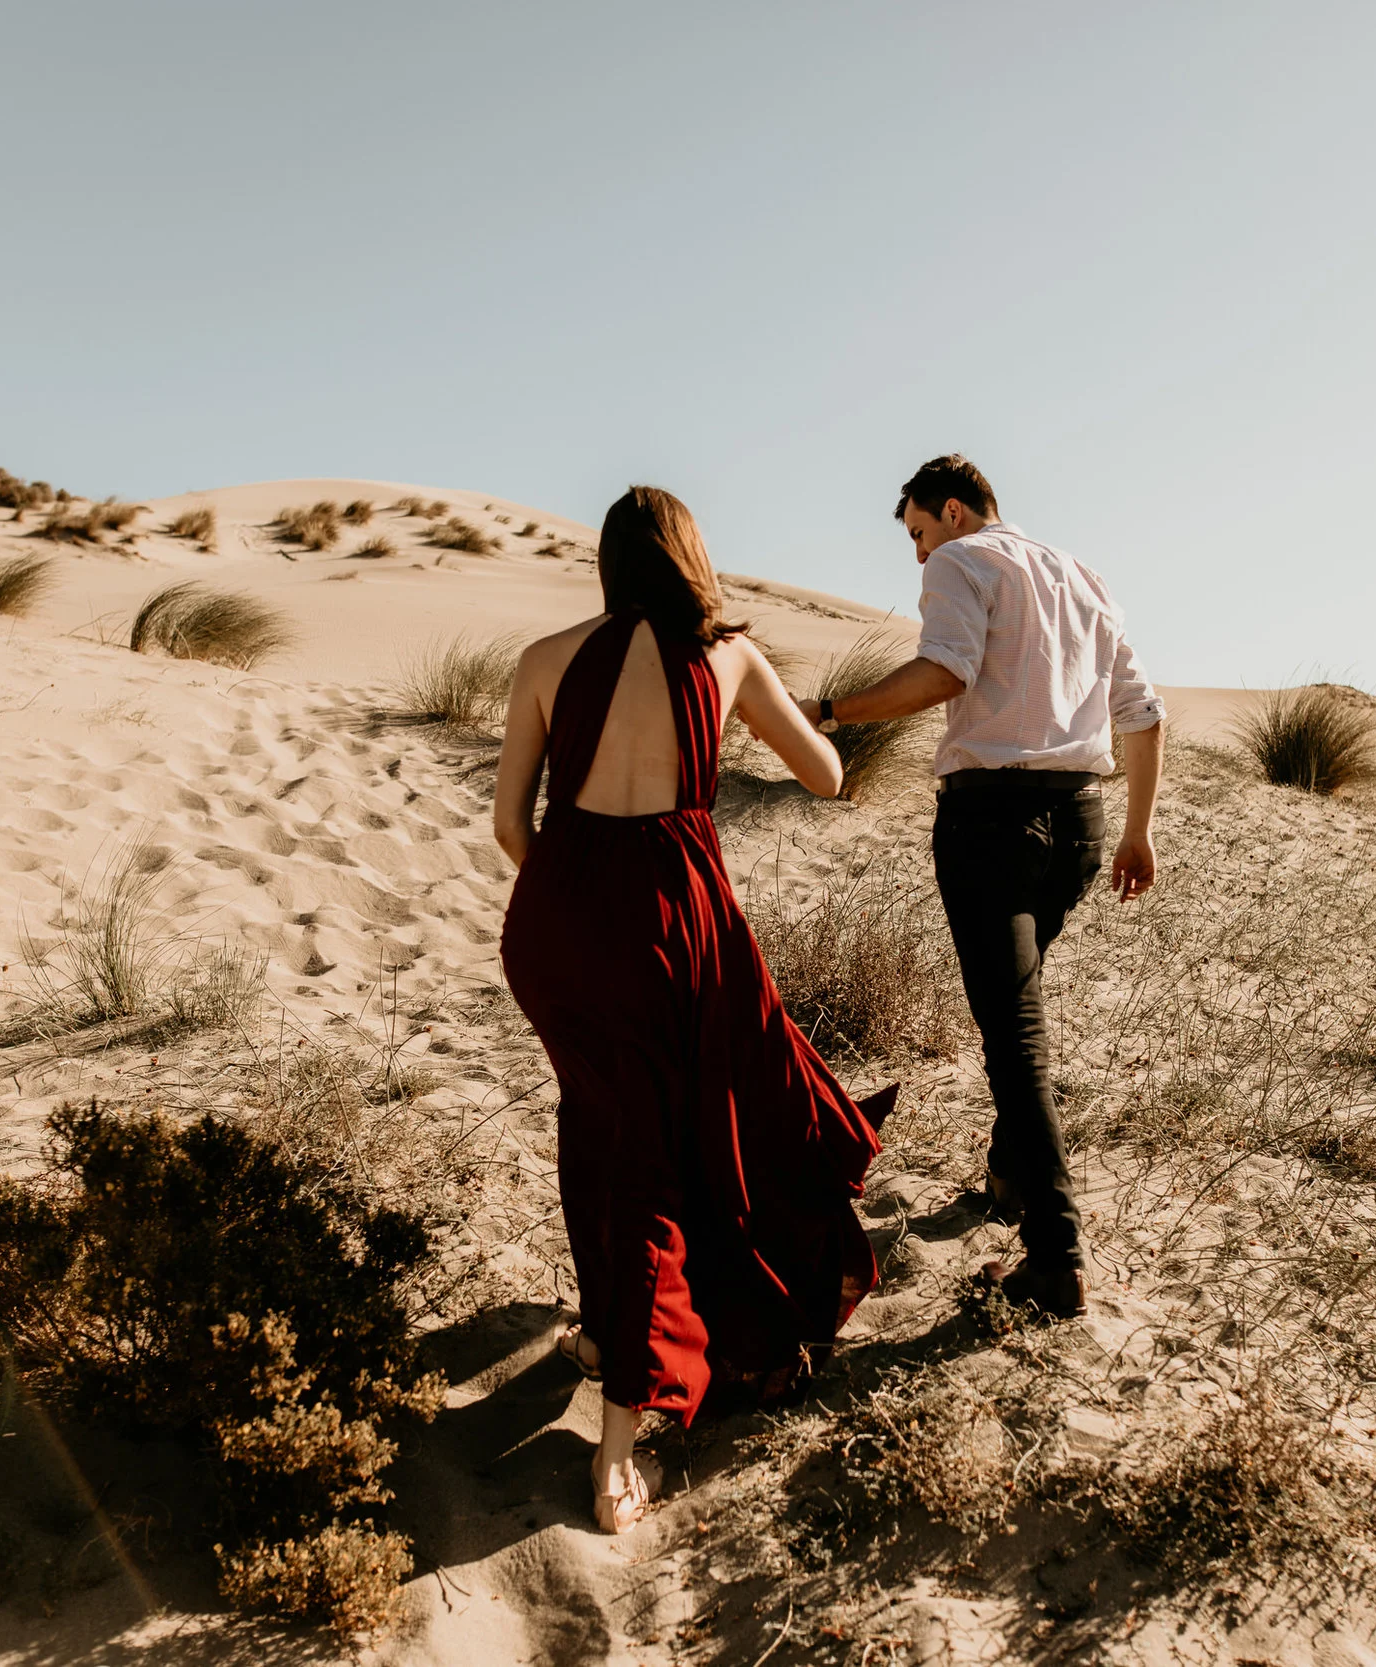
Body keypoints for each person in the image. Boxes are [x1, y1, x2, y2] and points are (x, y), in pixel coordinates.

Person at [494, 485, 897, 1534]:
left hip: (553, 927)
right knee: (649, 1164)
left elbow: (508, 824)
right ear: (689, 559)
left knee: (602, 1126)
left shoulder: (546, 655)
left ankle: (606, 1333)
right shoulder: (726, 656)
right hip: (673, 927)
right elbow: (828, 775)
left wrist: (579, 902)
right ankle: (617, 1446)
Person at [799, 454, 1162, 1320]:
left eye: (919, 534)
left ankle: (1056, 1257)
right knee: (1016, 1007)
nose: (921, 558)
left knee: (1015, 1037)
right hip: (1079, 827)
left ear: (954, 512)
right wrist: (1139, 828)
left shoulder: (964, 563)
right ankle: (1007, 1175)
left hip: (990, 826)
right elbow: (1143, 712)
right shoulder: (1082, 574)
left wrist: (831, 713)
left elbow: (946, 672)